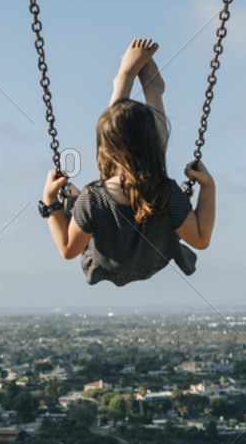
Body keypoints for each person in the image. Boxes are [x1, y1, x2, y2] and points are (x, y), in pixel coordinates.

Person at [40, 38, 215, 285]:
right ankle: (148, 88)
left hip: (105, 261)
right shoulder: (165, 192)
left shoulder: (93, 199)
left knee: (118, 128)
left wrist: (50, 201)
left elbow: (68, 249)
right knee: (141, 151)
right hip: (153, 256)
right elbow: (200, 238)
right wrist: (208, 187)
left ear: (103, 149)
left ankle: (125, 80)